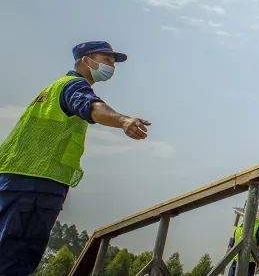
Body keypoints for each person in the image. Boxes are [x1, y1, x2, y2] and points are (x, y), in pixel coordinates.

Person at [0, 41, 151, 276]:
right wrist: (123, 120)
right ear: (85, 60)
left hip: (18, 181)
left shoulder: (54, 88)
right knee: (15, 261)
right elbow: (91, 106)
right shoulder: (73, 86)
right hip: (36, 186)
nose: (112, 66)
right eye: (107, 59)